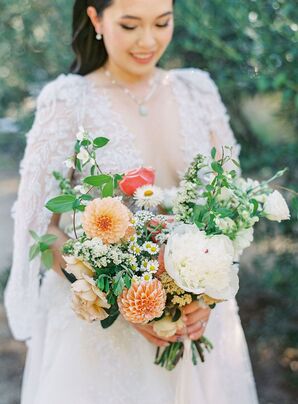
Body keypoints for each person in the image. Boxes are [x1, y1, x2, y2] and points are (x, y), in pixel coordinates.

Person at [4, 0, 259, 403]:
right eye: (130, 25)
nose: (148, 40)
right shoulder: (70, 100)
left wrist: (208, 294)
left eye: (162, 23)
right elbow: (41, 228)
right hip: (101, 339)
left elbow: (231, 203)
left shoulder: (198, 91)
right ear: (96, 18)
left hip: (199, 325)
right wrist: (114, 297)